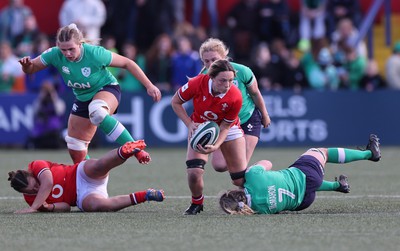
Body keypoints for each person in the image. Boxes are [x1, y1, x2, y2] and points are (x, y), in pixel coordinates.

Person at [18, 23, 162, 164]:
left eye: (71, 49)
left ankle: (136, 149)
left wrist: (149, 86)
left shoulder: (95, 53)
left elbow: (127, 63)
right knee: (75, 148)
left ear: (80, 44)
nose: (67, 53)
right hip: (82, 97)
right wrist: (26, 66)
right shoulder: (54, 53)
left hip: (107, 88)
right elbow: (31, 69)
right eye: (63, 50)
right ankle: (91, 183)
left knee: (97, 111)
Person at [219, 134, 381, 215]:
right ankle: (369, 154)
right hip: (307, 176)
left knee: (296, 186)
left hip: (303, 202)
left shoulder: (258, 211)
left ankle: (338, 186)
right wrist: (250, 170)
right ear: (234, 191)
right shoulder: (253, 177)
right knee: (320, 152)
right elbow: (268, 162)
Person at [171, 59, 247, 215]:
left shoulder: (235, 96)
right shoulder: (197, 83)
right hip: (201, 127)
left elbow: (225, 126)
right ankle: (197, 203)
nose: (227, 85)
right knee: (194, 172)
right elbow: (176, 102)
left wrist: (217, 145)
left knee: (239, 179)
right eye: (223, 80)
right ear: (211, 77)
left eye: (231, 80)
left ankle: (258, 191)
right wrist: (190, 124)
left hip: (229, 129)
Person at [8, 140, 165, 214]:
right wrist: (49, 208)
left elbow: (47, 182)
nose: (37, 189)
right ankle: (146, 195)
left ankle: (127, 150)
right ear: (24, 192)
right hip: (82, 196)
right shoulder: (32, 199)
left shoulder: (36, 165)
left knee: (98, 166)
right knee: (100, 206)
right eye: (32, 190)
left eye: (35, 184)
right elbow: (66, 207)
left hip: (79, 172)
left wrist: (33, 208)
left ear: (30, 174)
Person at [198, 38, 271, 174]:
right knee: (219, 166)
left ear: (224, 57)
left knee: (239, 171)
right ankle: (251, 171)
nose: (210, 64)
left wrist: (265, 115)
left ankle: (262, 167)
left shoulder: (242, 71)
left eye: (214, 59)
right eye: (206, 61)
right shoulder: (203, 77)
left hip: (247, 119)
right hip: (224, 123)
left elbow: (255, 94)